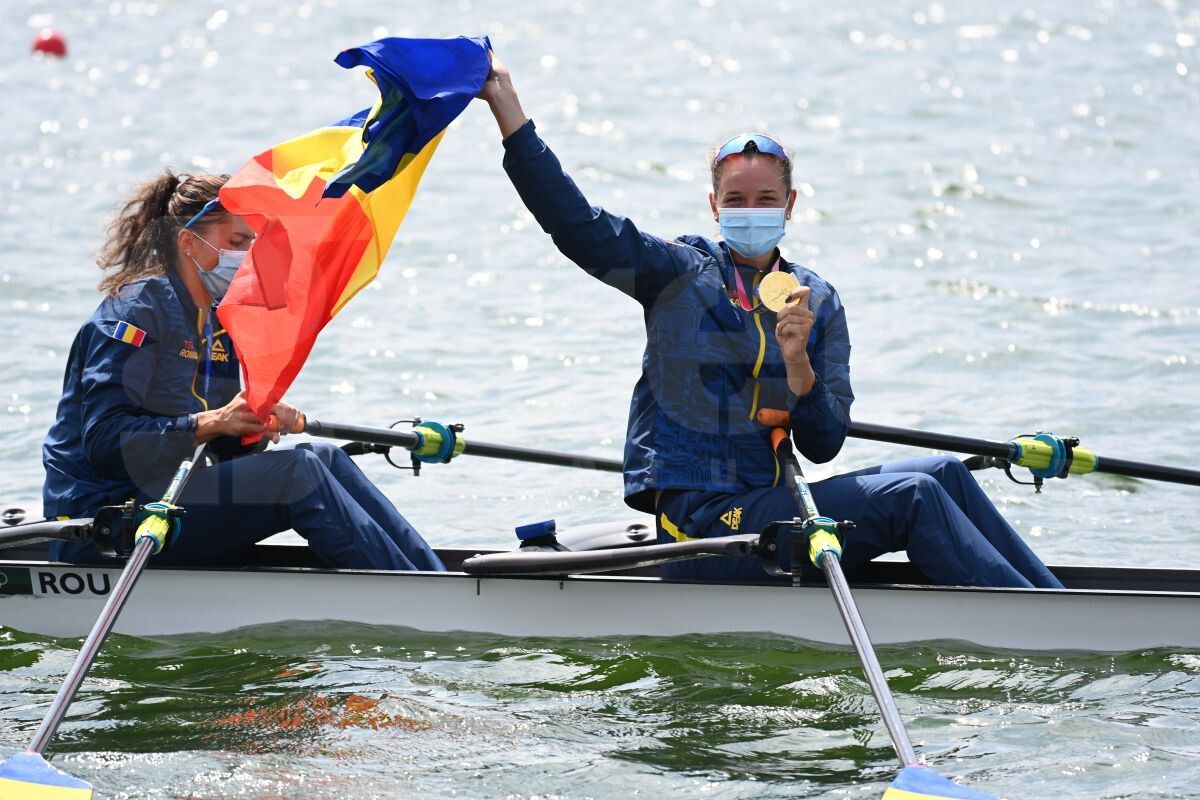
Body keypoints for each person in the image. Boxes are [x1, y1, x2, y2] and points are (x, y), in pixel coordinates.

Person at [477, 55, 1063, 589]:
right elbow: (578, 224)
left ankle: (1054, 602)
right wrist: (511, 114)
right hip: (704, 527)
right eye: (735, 200)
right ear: (714, 206)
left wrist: (798, 361)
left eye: (765, 199)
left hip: (775, 499)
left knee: (943, 473)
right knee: (913, 495)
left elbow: (825, 443)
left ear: (790, 204)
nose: (749, 211)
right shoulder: (676, 274)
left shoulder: (819, 301)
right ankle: (1036, 629)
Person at [42, 170, 446, 572]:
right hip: (107, 521)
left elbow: (220, 446)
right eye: (237, 243)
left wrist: (252, 424)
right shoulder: (135, 315)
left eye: (252, 243)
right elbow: (105, 443)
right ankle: (421, 602)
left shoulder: (219, 320)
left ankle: (431, 577)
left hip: (172, 498)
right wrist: (214, 420)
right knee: (298, 473)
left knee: (320, 455)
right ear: (188, 243)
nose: (248, 256)